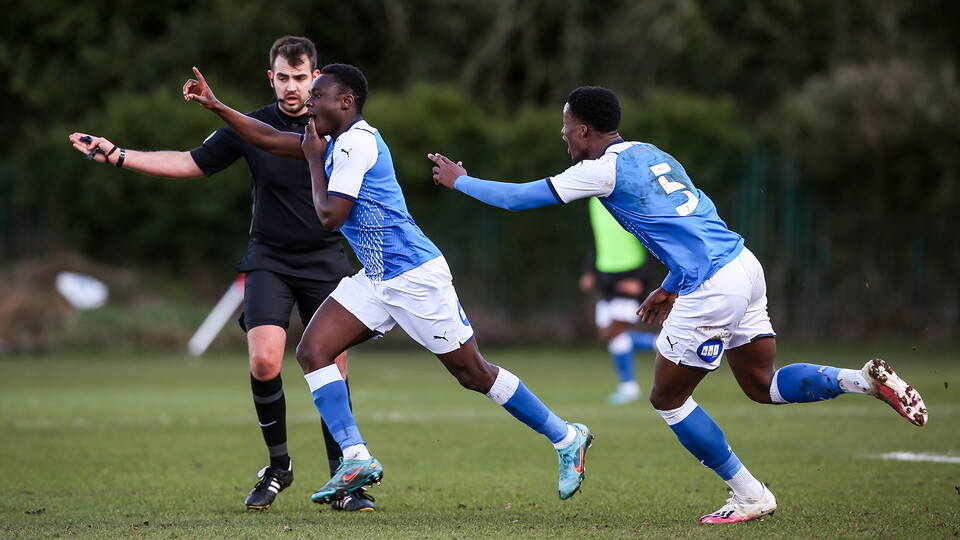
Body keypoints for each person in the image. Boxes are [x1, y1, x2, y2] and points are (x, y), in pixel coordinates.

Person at [427, 85, 928, 524]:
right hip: (742, 264)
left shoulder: (601, 170)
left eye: (565, 128)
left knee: (668, 399)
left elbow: (517, 199)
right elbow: (690, 222)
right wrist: (669, 285)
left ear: (582, 130)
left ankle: (750, 495)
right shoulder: (653, 153)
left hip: (711, 285)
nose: (563, 136)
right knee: (763, 384)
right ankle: (862, 380)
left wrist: (459, 181)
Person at [181, 63, 594, 504]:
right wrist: (217, 106)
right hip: (376, 278)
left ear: (346, 102)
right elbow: (267, 138)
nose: (309, 103)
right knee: (313, 351)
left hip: (415, 277)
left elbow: (329, 217)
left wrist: (314, 161)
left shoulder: (355, 144)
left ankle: (566, 436)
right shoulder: (333, 142)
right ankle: (355, 457)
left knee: (473, 373)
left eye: (318, 96)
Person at [68, 36, 374, 512]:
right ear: (270, 77)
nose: (292, 87)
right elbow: (190, 162)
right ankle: (278, 468)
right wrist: (119, 154)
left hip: (325, 261)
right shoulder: (249, 125)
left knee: (332, 367)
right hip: (269, 258)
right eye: (283, 77)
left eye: (300, 78)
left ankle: (346, 479)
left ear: (316, 78)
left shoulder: (340, 128)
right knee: (264, 361)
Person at [579, 197, 658, 405]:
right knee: (613, 338)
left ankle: (630, 387)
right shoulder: (594, 201)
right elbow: (598, 238)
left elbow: (651, 239)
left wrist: (641, 280)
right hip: (605, 280)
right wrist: (590, 270)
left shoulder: (629, 198)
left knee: (614, 332)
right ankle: (662, 346)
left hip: (630, 277)